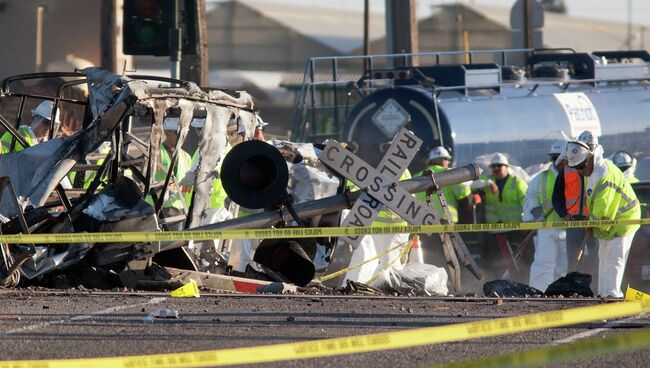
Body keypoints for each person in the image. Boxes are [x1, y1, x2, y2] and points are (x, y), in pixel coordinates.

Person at [565, 140, 641, 297]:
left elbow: (603, 211)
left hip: (623, 220)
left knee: (614, 258)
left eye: (580, 167)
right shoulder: (589, 170)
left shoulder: (605, 176)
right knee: (604, 255)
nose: (579, 171)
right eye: (576, 168)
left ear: (589, 158)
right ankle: (603, 295)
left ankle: (613, 296)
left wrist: (592, 222)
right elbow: (593, 201)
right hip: (607, 220)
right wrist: (592, 221)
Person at [524, 140, 568, 291]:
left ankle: (564, 293)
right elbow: (531, 197)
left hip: (568, 228)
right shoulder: (541, 178)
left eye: (558, 156)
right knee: (543, 263)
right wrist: (537, 214)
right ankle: (538, 291)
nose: (556, 160)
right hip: (547, 227)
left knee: (565, 266)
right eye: (554, 157)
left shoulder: (575, 176)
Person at [147, 115, 192, 229]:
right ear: (167, 132)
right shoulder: (156, 152)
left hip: (178, 211)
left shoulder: (186, 156)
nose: (183, 137)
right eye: (178, 133)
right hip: (156, 209)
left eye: (184, 133)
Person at [416, 146, 471, 223]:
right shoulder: (450, 173)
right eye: (447, 159)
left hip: (423, 222)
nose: (449, 162)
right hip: (446, 221)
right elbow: (465, 195)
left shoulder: (416, 177)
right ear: (442, 160)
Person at [471, 153, 528, 224]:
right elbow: (472, 185)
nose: (496, 168)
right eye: (493, 166)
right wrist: (489, 183)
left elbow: (528, 204)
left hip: (514, 228)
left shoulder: (518, 183)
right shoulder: (487, 180)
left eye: (499, 166)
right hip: (493, 229)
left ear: (507, 167)